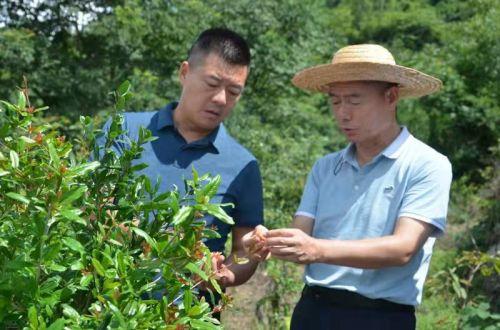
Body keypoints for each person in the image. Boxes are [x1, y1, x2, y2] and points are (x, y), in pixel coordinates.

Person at [244, 44, 452, 329]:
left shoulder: (426, 164)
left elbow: (403, 248)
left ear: (391, 97)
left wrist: (316, 250)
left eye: (354, 101)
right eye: (335, 101)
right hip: (312, 311)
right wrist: (267, 241)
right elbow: (301, 237)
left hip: (380, 316)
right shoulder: (325, 167)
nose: (343, 113)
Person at [99, 28, 263, 307]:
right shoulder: (123, 130)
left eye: (234, 91)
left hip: (190, 317)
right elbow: (97, 210)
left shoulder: (243, 165)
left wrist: (226, 273)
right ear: (185, 72)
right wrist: (168, 248)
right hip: (111, 306)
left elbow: (241, 252)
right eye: (212, 83)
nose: (221, 99)